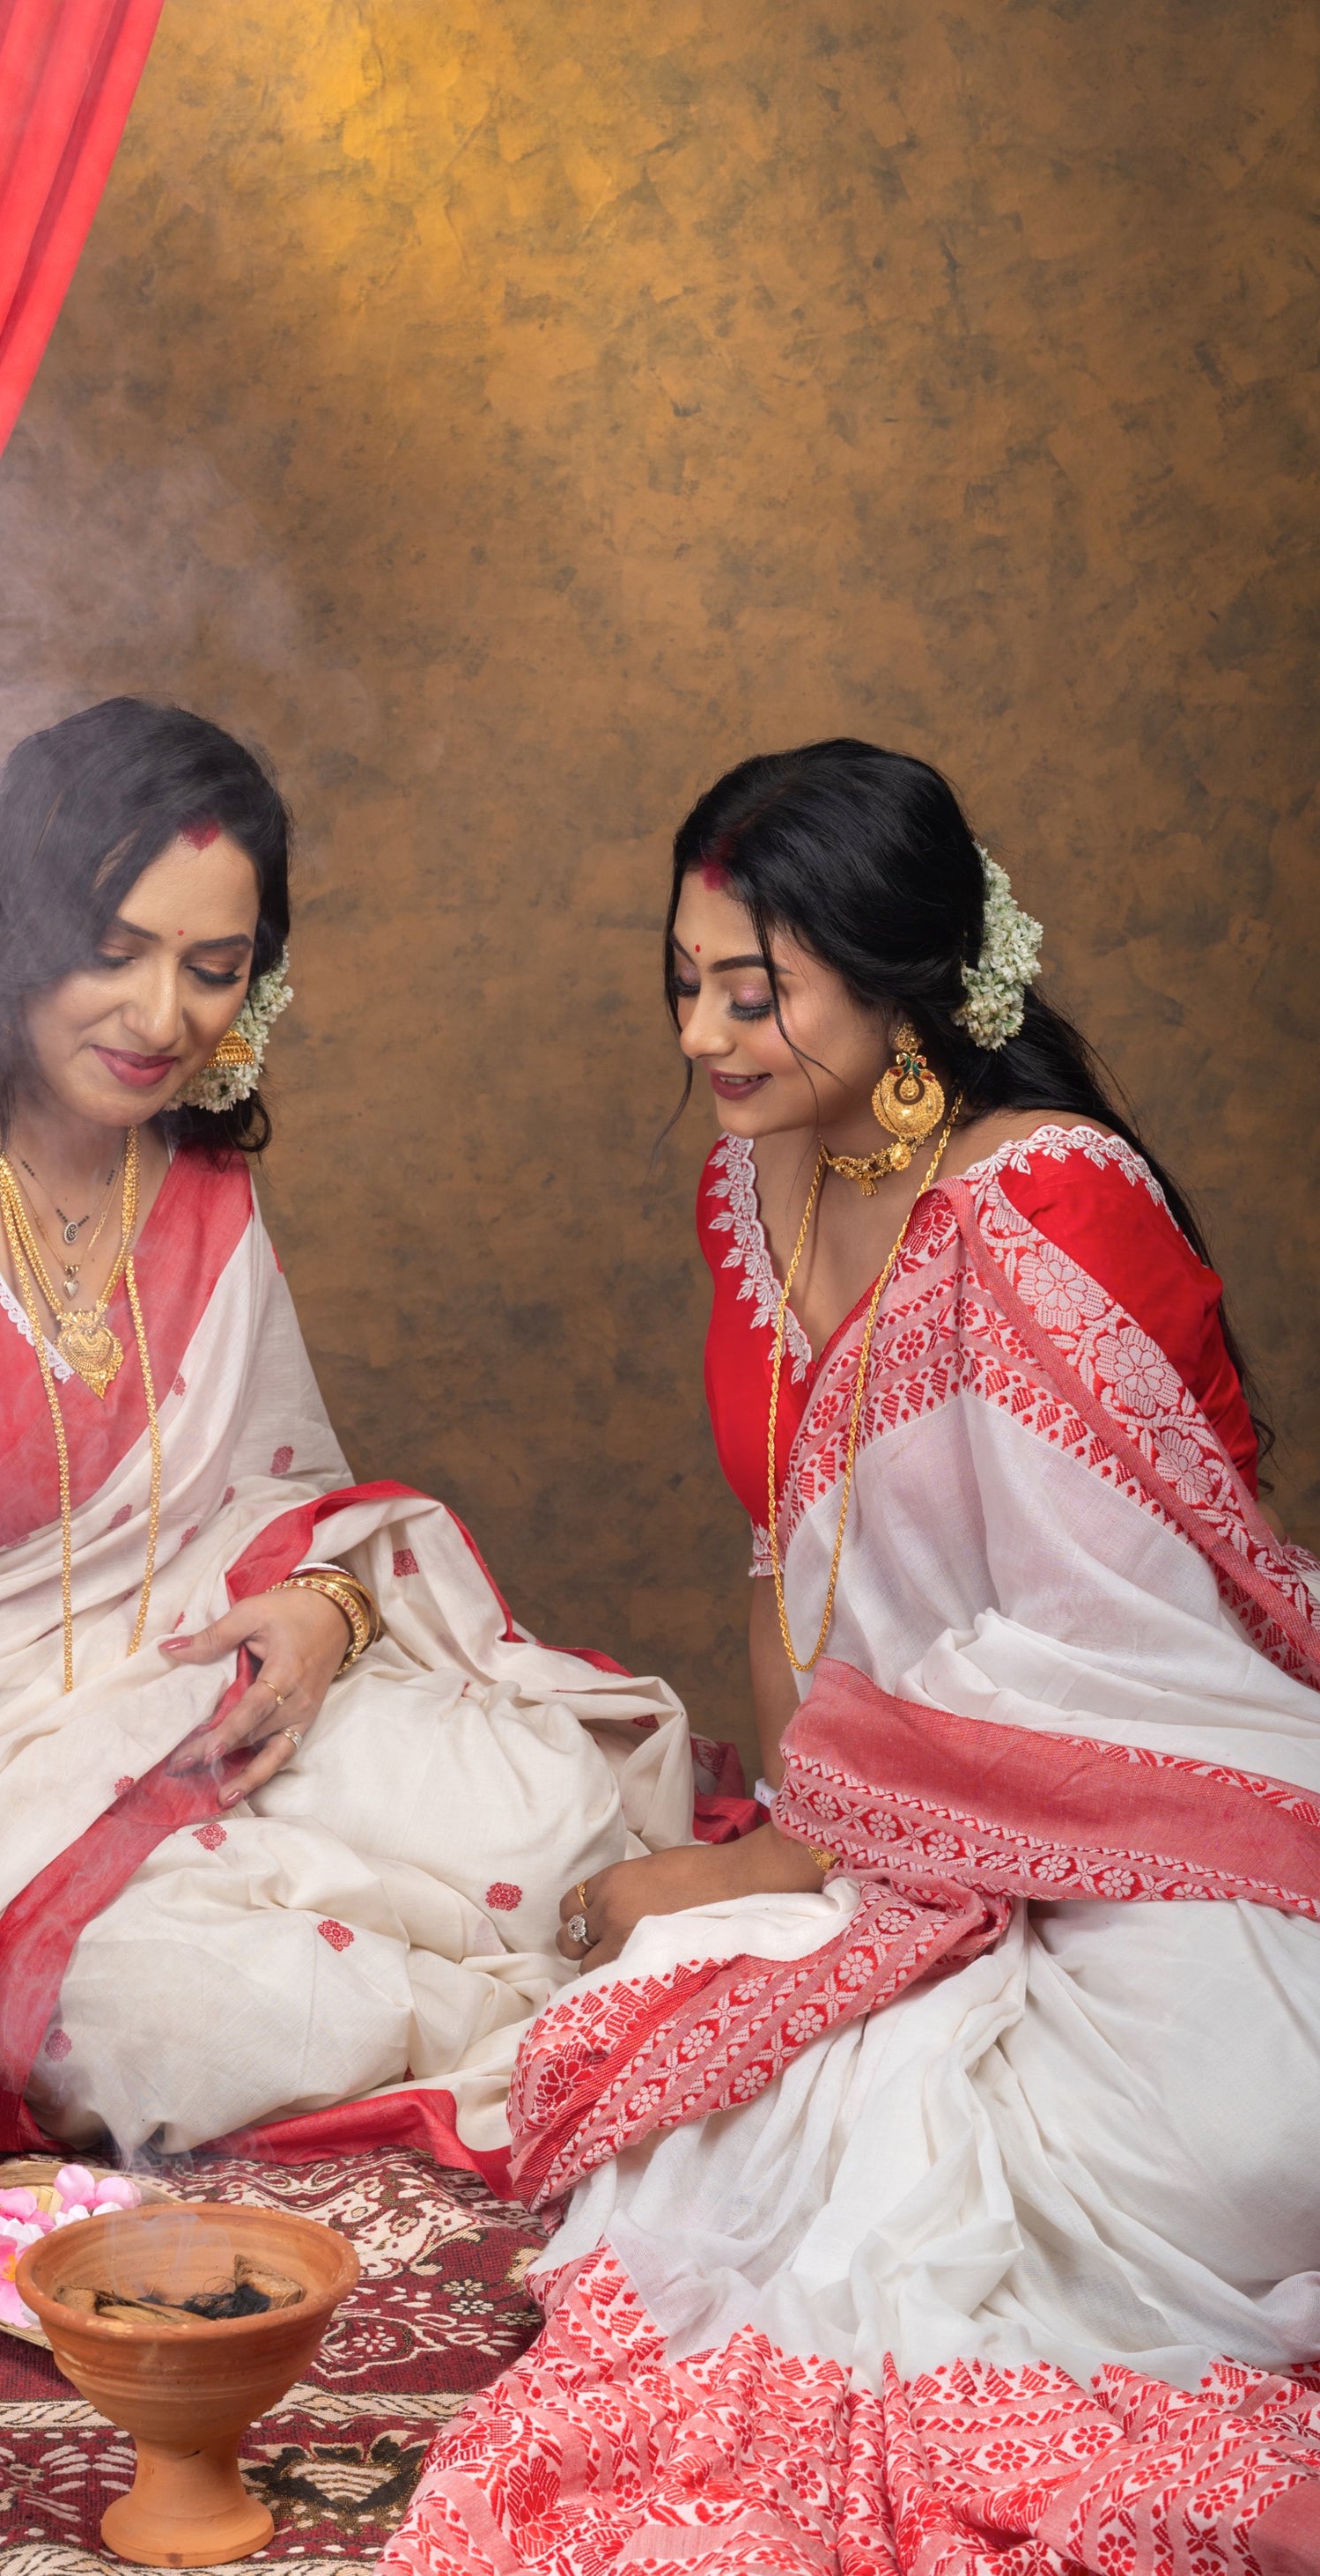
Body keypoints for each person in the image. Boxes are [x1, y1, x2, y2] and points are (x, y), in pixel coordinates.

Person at [387, 741, 1320, 2575]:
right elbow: (787, 1574)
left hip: (1159, 1834)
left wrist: (801, 1858)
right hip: (909, 1820)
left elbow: (1102, 1664)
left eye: (758, 987)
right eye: (685, 980)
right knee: (715, 2113)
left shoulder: (1045, 1209)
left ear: (900, 978)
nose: (707, 1035)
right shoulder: (763, 1190)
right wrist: (820, 1859)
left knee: (1202, 2152)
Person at [0, 698, 702, 2273]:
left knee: (551, 1807)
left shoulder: (198, 1171)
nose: (162, 1014)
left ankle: (485, 1946)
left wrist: (321, 1610)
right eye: (117, 949)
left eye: (214, 969)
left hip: (186, 1690)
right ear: (12, 926)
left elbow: (291, 1492)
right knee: (218, 2017)